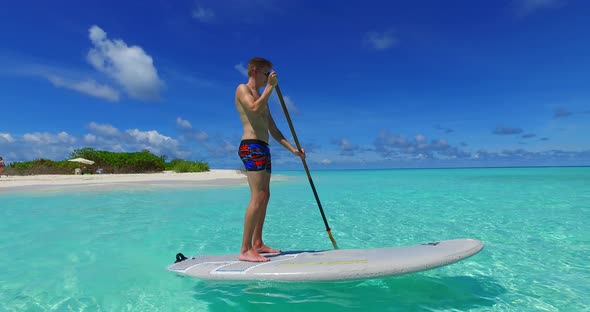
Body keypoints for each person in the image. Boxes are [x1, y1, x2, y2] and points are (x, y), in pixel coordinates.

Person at [235, 57, 305, 262]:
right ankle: (245, 249)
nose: (269, 77)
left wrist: (293, 150)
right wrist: (271, 89)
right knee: (257, 196)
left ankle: (257, 242)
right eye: (267, 73)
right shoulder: (243, 89)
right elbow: (254, 109)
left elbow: (274, 130)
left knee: (265, 195)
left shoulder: (262, 97)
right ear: (255, 71)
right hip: (251, 146)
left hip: (263, 147)